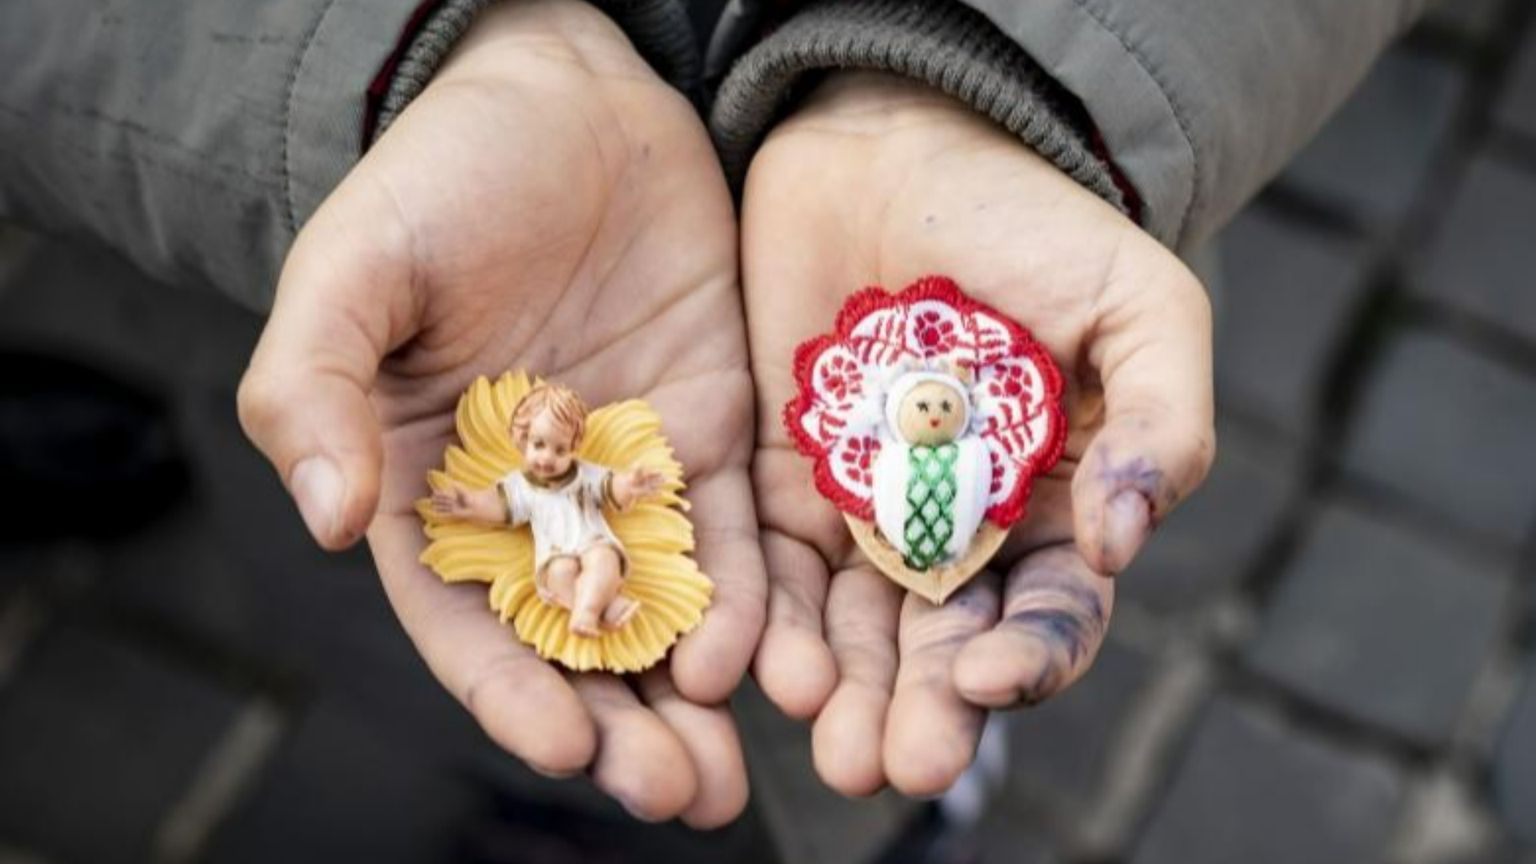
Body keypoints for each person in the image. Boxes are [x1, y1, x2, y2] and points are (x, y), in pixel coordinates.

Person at [0, 0, 1430, 828]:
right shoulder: (534, 450)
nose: (557, 449)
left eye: (561, 449)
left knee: (869, 731)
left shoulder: (928, 420)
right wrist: (354, 62)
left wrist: (1018, 66)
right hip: (321, 279)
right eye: (551, 447)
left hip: (954, 173)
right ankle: (553, 815)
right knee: (487, 686)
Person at [431, 381, 660, 636]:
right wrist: (471, 503)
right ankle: (597, 609)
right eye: (539, 445)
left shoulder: (584, 475)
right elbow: (500, 506)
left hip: (594, 540)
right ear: (523, 439)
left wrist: (629, 484)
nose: (547, 458)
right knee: (561, 575)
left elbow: (610, 487)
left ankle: (587, 612)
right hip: (555, 553)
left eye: (560, 450)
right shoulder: (521, 486)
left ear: (574, 448)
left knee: (605, 561)